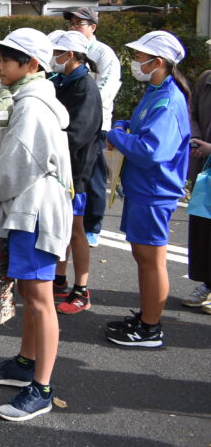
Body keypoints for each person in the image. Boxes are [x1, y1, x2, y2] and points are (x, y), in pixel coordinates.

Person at [0, 28, 73, 422]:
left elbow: (16, 166)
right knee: (32, 294)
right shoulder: (24, 98)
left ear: (32, 64)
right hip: (25, 208)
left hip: (34, 210)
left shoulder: (32, 107)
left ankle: (42, 388)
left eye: (7, 58)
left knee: (39, 299)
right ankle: (26, 363)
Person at [105, 31, 191, 347]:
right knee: (144, 256)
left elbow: (152, 150)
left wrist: (117, 136)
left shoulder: (168, 99)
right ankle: (145, 317)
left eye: (139, 57)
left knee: (152, 259)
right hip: (145, 188)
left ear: (157, 62)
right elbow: (140, 129)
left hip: (155, 190)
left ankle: (150, 329)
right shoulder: (157, 91)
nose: (135, 63)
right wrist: (123, 127)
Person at [47, 31, 103, 315]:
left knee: (76, 230)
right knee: (62, 227)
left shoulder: (85, 88)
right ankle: (59, 278)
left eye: (57, 52)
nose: (53, 58)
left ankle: (82, 289)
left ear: (70, 56)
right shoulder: (62, 81)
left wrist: (46, 142)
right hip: (61, 166)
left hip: (76, 170)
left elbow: (77, 135)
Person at [63, 7, 121, 247]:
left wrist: (85, 108)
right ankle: (74, 221)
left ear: (93, 27)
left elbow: (104, 89)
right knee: (73, 174)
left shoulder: (104, 53)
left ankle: (93, 226)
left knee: (93, 176)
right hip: (70, 121)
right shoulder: (69, 48)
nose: (74, 26)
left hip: (96, 122)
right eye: (72, 23)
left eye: (80, 23)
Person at [182, 49, 211, 311]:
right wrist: (199, 140)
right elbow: (193, 114)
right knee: (202, 228)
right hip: (205, 166)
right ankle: (207, 283)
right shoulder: (206, 79)